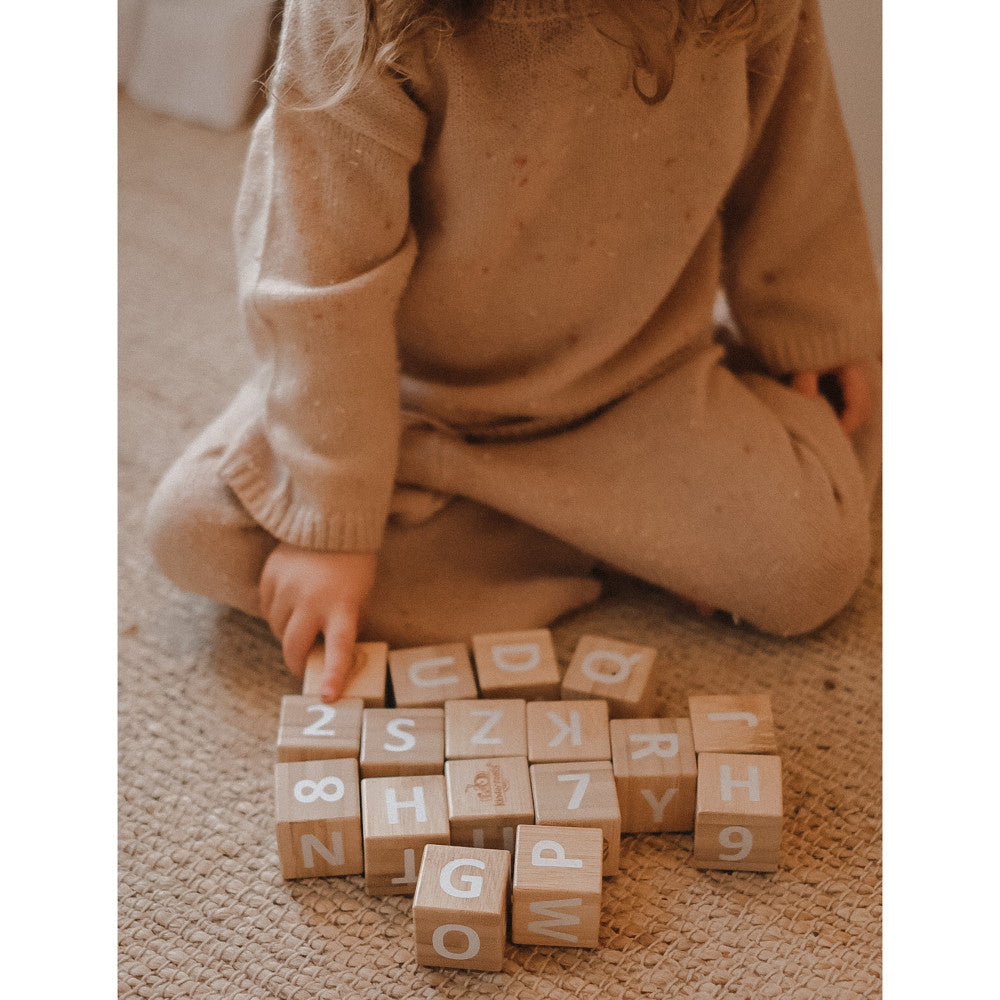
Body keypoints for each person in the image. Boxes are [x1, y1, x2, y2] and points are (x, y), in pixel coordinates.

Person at [145, 0, 882, 704]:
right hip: (410, 402)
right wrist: (331, 525)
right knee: (193, 534)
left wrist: (820, 324)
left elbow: (795, 143)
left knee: (810, 564)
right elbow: (315, 271)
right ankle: (613, 533)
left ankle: (539, 526)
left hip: (641, 386)